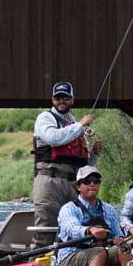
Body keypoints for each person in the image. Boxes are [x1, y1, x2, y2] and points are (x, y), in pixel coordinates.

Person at [31, 81, 100, 246]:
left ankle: (68, 263)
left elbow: (83, 165)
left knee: (75, 227)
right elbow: (53, 139)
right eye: (58, 97)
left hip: (73, 183)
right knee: (46, 227)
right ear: (53, 99)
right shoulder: (45, 118)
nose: (61, 101)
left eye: (65, 98)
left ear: (72, 100)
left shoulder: (73, 124)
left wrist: (95, 154)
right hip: (49, 181)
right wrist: (81, 125)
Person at [55, 166, 133, 266]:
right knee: (99, 252)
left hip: (101, 254)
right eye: (87, 181)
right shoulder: (69, 208)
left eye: (96, 181)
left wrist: (119, 239)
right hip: (70, 258)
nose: (92, 184)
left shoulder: (108, 209)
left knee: (123, 247)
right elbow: (72, 229)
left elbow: (118, 234)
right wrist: (89, 230)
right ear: (78, 186)